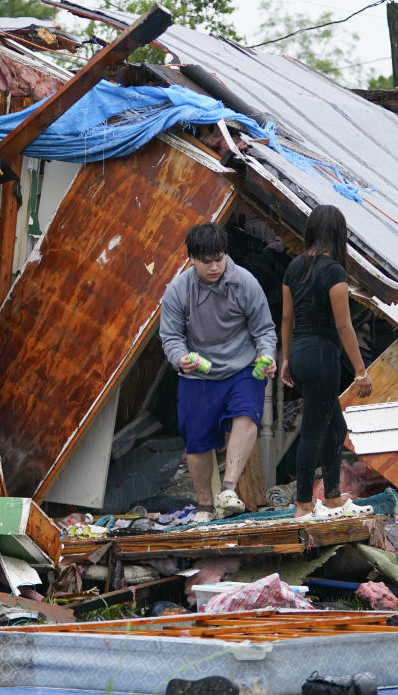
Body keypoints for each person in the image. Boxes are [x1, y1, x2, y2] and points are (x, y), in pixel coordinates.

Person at [160, 222, 278, 523]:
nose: (214, 266)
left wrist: (267, 355)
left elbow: (265, 329)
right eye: (207, 261)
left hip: (243, 367)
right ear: (192, 259)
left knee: (246, 414)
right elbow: (171, 336)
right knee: (196, 439)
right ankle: (204, 506)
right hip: (198, 371)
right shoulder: (178, 290)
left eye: (219, 258)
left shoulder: (245, 283)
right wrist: (179, 358)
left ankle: (228, 489)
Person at [279, 205, 374, 521]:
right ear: (338, 235)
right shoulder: (334, 271)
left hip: (301, 354)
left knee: (336, 427)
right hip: (322, 356)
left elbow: (287, 317)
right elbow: (344, 325)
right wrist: (361, 371)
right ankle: (304, 504)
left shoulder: (293, 267)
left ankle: (332, 497)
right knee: (313, 431)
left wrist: (286, 359)